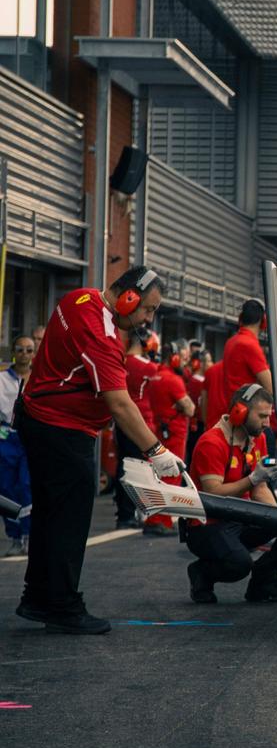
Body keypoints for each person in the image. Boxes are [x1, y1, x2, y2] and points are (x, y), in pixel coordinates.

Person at [15, 268, 184, 635]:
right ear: (128, 298)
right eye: (148, 309)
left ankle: (38, 596)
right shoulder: (102, 333)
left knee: (49, 516)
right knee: (69, 522)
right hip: (61, 430)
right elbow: (120, 404)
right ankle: (61, 605)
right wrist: (157, 450)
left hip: (39, 418)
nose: (147, 319)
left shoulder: (80, 297)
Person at [183, 384, 277, 605]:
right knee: (239, 565)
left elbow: (260, 490)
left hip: (241, 517)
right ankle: (202, 572)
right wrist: (253, 479)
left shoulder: (257, 436)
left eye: (269, 416)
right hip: (208, 526)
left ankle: (264, 581)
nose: (268, 423)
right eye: (262, 416)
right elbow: (213, 494)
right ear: (239, 412)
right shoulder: (212, 442)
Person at [143, 351, 195, 536]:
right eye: (182, 356)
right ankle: (160, 520)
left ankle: (154, 518)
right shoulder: (173, 380)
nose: (185, 361)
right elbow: (189, 408)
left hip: (159, 429)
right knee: (172, 476)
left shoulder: (155, 376)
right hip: (175, 432)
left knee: (158, 474)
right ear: (173, 358)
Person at [114, 327, 159, 528]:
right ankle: (133, 513)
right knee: (140, 469)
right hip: (141, 420)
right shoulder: (149, 367)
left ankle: (124, 512)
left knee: (123, 466)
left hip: (121, 419)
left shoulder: (121, 361)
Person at [0, 335, 35, 555]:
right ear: (14, 351)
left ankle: (27, 534)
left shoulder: (39, 378)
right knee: (4, 488)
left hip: (30, 438)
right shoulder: (2, 379)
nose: (24, 354)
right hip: (6, 438)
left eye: (29, 350)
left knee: (26, 485)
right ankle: (14, 536)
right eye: (20, 350)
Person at [222, 300, 273, 404]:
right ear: (263, 321)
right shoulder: (250, 345)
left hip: (235, 407)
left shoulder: (230, 342)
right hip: (248, 410)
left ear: (241, 319)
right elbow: (271, 387)